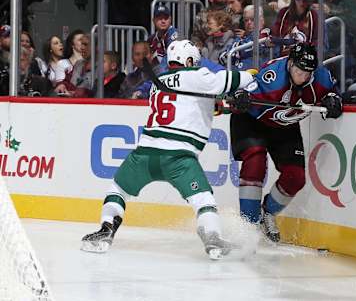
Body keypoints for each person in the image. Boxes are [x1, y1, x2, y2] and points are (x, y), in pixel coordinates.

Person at [81, 40, 255, 259]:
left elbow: (193, 105)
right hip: (179, 158)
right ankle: (213, 238)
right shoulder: (197, 76)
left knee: (117, 190)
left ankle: (106, 230)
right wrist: (252, 75)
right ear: (189, 60)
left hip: (144, 154)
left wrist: (226, 106)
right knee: (203, 200)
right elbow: (230, 81)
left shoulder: (158, 82)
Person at [230, 43, 343, 242]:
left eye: (307, 73)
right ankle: (249, 224)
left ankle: (268, 214)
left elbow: (334, 92)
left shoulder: (322, 78)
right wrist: (240, 99)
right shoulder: (272, 77)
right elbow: (242, 93)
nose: (302, 76)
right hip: (252, 121)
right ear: (290, 64)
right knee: (255, 162)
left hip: (284, 124)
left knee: (296, 177)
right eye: (298, 70)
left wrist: (334, 100)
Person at [148, 5, 178, 71]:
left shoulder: (173, 34)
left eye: (166, 18)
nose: (163, 21)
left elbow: (171, 57)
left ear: (170, 19)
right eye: (160, 18)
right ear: (154, 20)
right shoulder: (151, 39)